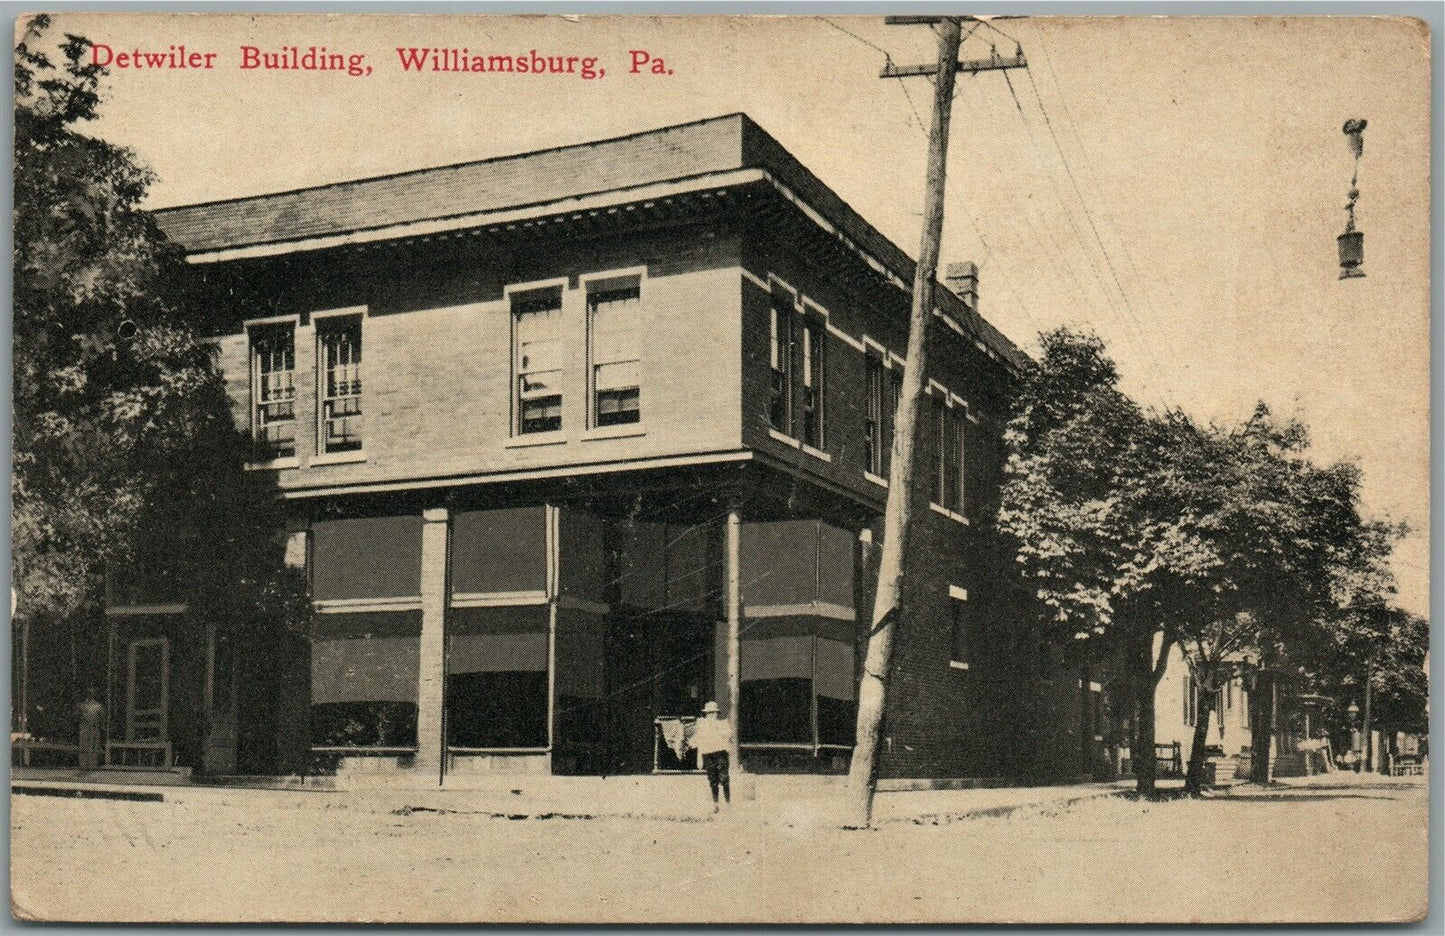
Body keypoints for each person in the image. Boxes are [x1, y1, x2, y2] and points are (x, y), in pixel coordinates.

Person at [693, 700, 731, 813]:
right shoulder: (702, 726)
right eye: (709, 713)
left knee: (724, 779)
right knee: (713, 780)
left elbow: (729, 735)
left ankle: (728, 803)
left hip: (721, 754)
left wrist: (718, 729)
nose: (711, 715)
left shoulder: (722, 724)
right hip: (708, 755)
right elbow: (699, 742)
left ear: (716, 713)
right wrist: (699, 758)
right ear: (706, 714)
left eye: (713, 713)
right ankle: (716, 804)